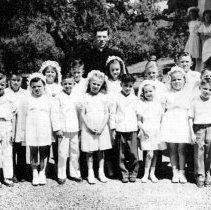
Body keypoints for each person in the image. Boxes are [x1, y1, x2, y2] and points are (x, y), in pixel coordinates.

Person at [19, 73, 61, 186]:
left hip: (45, 128)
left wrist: (56, 129)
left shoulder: (49, 100)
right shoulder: (27, 100)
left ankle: (42, 172)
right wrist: (22, 133)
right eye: (34, 87)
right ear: (30, 88)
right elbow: (23, 117)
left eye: (39, 86)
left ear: (44, 86)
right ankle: (34, 172)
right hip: (31, 127)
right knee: (33, 151)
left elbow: (54, 115)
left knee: (44, 151)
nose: (36, 89)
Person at [79, 70, 113, 184]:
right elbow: (82, 114)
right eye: (94, 84)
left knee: (101, 150)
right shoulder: (85, 97)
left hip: (101, 126)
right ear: (89, 83)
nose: (96, 86)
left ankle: (101, 172)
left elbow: (107, 113)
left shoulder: (103, 97)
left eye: (98, 84)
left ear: (101, 85)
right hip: (89, 126)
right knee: (90, 151)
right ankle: (90, 172)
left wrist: (102, 127)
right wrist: (88, 127)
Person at [161, 67, 193, 184]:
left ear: (184, 80)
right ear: (170, 81)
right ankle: (174, 172)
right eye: (174, 80)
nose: (177, 82)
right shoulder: (167, 94)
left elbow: (190, 110)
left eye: (179, 79)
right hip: (170, 122)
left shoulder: (188, 94)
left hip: (182, 122)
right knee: (172, 148)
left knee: (182, 149)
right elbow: (162, 110)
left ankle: (182, 171)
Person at [111, 74, 141, 183]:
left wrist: (139, 128)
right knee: (121, 153)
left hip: (132, 128)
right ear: (121, 85)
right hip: (120, 129)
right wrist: (113, 128)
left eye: (130, 86)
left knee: (133, 152)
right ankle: (123, 172)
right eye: (125, 85)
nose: (127, 88)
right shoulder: (116, 97)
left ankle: (134, 171)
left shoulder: (135, 99)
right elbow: (113, 113)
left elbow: (138, 113)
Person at [55, 74, 82, 185]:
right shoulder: (58, 97)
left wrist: (80, 127)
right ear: (62, 84)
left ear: (74, 84)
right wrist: (58, 128)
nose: (67, 86)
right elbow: (55, 114)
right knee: (62, 153)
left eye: (70, 83)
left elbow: (80, 112)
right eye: (65, 84)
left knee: (75, 152)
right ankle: (61, 174)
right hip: (63, 129)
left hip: (75, 128)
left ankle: (74, 172)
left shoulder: (77, 96)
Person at [139, 81, 166, 183]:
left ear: (154, 92)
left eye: (150, 91)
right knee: (148, 153)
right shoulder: (141, 104)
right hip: (146, 131)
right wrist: (143, 129)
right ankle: (145, 174)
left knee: (155, 152)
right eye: (146, 92)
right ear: (143, 93)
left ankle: (152, 173)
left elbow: (161, 118)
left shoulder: (158, 104)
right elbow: (138, 120)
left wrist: (161, 129)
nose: (148, 93)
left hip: (156, 131)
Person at [39, 60, 62, 176]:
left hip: (57, 118)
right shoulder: (41, 87)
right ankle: (44, 168)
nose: (50, 74)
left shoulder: (59, 87)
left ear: (56, 74)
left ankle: (58, 168)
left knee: (57, 144)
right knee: (45, 144)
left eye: (53, 72)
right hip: (45, 118)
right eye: (47, 72)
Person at [5, 73, 28, 182]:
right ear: (9, 80)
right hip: (10, 123)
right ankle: (12, 172)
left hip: (21, 123)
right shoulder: (5, 92)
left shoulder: (25, 93)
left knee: (21, 149)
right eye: (13, 80)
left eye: (18, 80)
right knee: (11, 149)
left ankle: (22, 172)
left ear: (21, 81)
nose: (16, 82)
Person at [189, 79, 211, 188]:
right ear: (200, 89)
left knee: (209, 151)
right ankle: (200, 174)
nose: (207, 91)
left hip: (210, 127)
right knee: (199, 151)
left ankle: (208, 172)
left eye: (210, 89)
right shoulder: (195, 101)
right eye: (205, 89)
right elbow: (190, 118)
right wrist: (191, 133)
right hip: (198, 128)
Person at [0, 73, 17, 187]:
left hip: (7, 125)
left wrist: (13, 132)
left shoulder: (10, 96)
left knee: (7, 152)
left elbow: (14, 115)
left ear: (6, 84)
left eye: (2, 84)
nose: (0, 86)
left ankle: (7, 176)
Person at [184, 7, 202, 71]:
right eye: (190, 14)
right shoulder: (189, 23)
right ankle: (189, 69)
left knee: (194, 56)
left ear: (196, 14)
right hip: (190, 39)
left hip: (196, 39)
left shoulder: (199, 22)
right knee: (189, 56)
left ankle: (193, 70)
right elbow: (189, 31)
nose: (192, 16)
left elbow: (200, 32)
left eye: (193, 14)